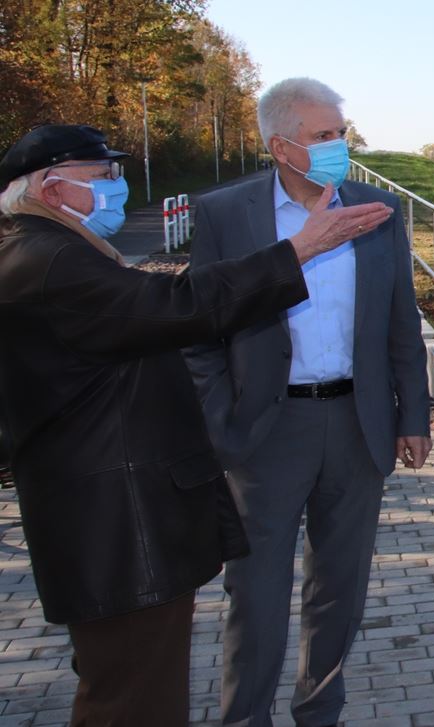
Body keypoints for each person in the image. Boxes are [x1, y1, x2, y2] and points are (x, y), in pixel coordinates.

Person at [0, 123, 390, 726]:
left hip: (104, 516)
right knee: (134, 696)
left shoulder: (42, 250)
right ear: (53, 191)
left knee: (129, 682)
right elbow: (176, 307)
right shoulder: (49, 260)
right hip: (115, 524)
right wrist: (297, 252)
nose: (116, 187)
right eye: (102, 176)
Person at [182, 77, 433, 727]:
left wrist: (413, 414)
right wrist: (220, 418)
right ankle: (246, 718)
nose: (338, 146)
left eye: (341, 133)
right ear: (280, 145)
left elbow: (400, 321)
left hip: (356, 423)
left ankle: (320, 710)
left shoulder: (375, 211)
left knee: (340, 588)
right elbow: (198, 329)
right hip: (266, 430)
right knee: (256, 592)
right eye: (323, 136)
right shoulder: (227, 215)